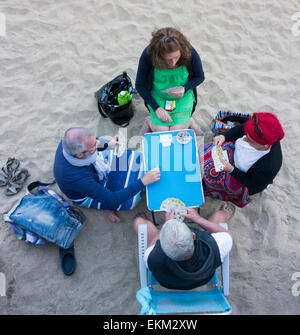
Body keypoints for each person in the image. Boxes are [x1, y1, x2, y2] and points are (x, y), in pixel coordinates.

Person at [53, 127, 160, 222]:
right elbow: (113, 200)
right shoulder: (77, 178)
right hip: (85, 193)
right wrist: (143, 181)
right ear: (80, 155)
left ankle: (104, 194)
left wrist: (108, 144)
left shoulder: (67, 143)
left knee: (133, 156)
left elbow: (94, 142)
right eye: (94, 145)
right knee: (130, 201)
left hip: (93, 170)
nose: (97, 143)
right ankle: (105, 206)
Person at [133, 205, 233, 290]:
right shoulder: (213, 247)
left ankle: (143, 218)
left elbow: (151, 244)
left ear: (162, 247)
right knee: (220, 215)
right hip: (202, 279)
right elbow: (226, 234)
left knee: (139, 222)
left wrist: (166, 225)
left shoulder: (153, 257)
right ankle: (225, 211)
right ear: (193, 236)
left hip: (170, 283)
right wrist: (198, 219)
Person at [201, 112, 284, 207]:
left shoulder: (270, 165)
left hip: (243, 178)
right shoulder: (255, 128)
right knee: (209, 151)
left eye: (250, 140)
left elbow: (251, 184)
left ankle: (207, 187)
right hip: (235, 156)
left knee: (215, 178)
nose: (244, 139)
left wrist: (231, 169)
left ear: (264, 145)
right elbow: (239, 130)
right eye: (246, 135)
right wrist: (223, 136)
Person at [136, 27, 205, 135]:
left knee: (176, 131)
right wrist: (157, 108)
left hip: (183, 97)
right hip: (158, 97)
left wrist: (185, 88)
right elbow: (140, 85)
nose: (173, 63)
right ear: (159, 56)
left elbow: (200, 77)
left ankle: (189, 120)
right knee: (162, 131)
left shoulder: (190, 52)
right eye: (168, 59)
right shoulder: (148, 55)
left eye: (176, 57)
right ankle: (149, 121)